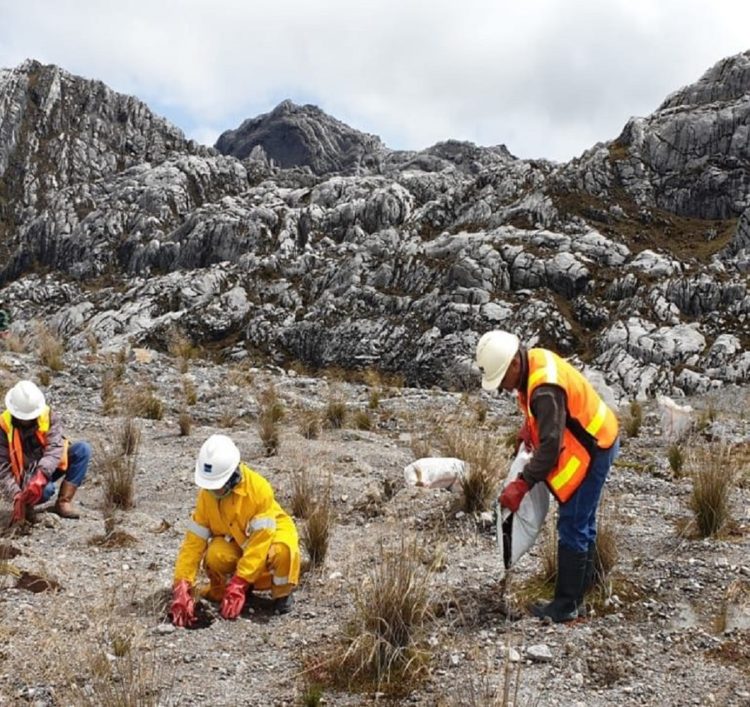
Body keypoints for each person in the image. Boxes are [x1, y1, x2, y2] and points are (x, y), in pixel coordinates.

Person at [476, 330, 620, 623]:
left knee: (573, 523)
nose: (503, 388)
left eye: (502, 379)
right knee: (583, 520)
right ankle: (582, 590)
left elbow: (551, 449)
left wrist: (522, 484)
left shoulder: (543, 388)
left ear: (515, 363)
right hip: (601, 436)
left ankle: (566, 605)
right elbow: (547, 419)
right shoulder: (534, 361)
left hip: (593, 449)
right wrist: (530, 427)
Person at [170, 434, 301, 627]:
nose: (213, 491)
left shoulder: (258, 490)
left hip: (270, 538)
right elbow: (193, 543)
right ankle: (233, 592)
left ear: (233, 476)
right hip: (238, 541)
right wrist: (182, 584)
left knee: (282, 552)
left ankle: (282, 595)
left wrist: (241, 580)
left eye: (217, 486)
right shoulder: (206, 497)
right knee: (215, 555)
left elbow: (260, 543)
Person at [0, 380, 90, 523]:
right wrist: (16, 494)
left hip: (48, 467)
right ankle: (26, 503)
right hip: (24, 476)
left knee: (82, 450)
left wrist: (41, 475)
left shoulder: (48, 416)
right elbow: (2, 467)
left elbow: (55, 448)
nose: (27, 421)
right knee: (47, 490)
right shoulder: (3, 427)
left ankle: (63, 502)